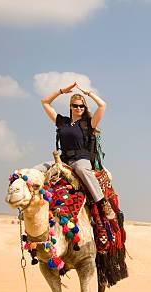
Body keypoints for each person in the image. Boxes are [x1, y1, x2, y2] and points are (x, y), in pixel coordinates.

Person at [40, 82, 115, 220]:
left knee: (81, 169)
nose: (79, 108)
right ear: (70, 107)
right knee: (38, 168)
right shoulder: (62, 122)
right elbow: (45, 102)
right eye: (75, 105)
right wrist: (61, 91)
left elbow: (102, 105)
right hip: (63, 160)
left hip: (81, 159)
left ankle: (102, 202)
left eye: (81, 105)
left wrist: (89, 93)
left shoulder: (88, 123)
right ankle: (31, 204)